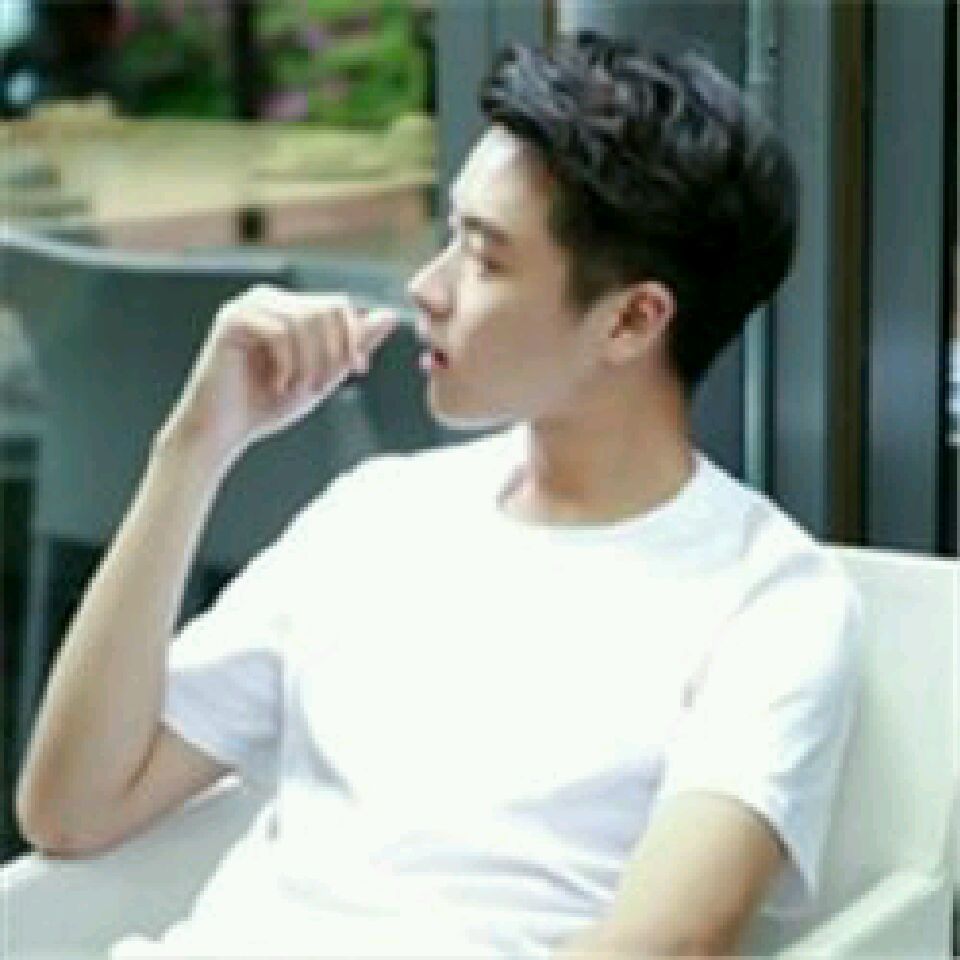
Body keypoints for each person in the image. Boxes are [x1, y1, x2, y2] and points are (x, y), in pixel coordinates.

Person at [15, 31, 863, 959]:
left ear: (630, 320)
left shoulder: (768, 599)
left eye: (485, 259)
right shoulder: (375, 513)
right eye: (449, 237)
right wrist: (193, 451)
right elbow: (72, 811)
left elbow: (667, 944)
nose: (427, 287)